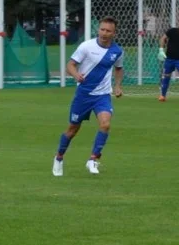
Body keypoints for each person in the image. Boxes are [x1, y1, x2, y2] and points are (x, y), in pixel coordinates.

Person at [53, 16, 125, 177]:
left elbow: (119, 69)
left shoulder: (117, 51)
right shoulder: (86, 46)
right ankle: (59, 157)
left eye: (108, 31)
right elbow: (70, 65)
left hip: (103, 95)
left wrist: (118, 86)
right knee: (72, 130)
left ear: (114, 33)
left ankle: (93, 159)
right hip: (83, 95)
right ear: (98, 29)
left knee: (105, 124)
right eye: (102, 29)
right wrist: (76, 75)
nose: (104, 33)